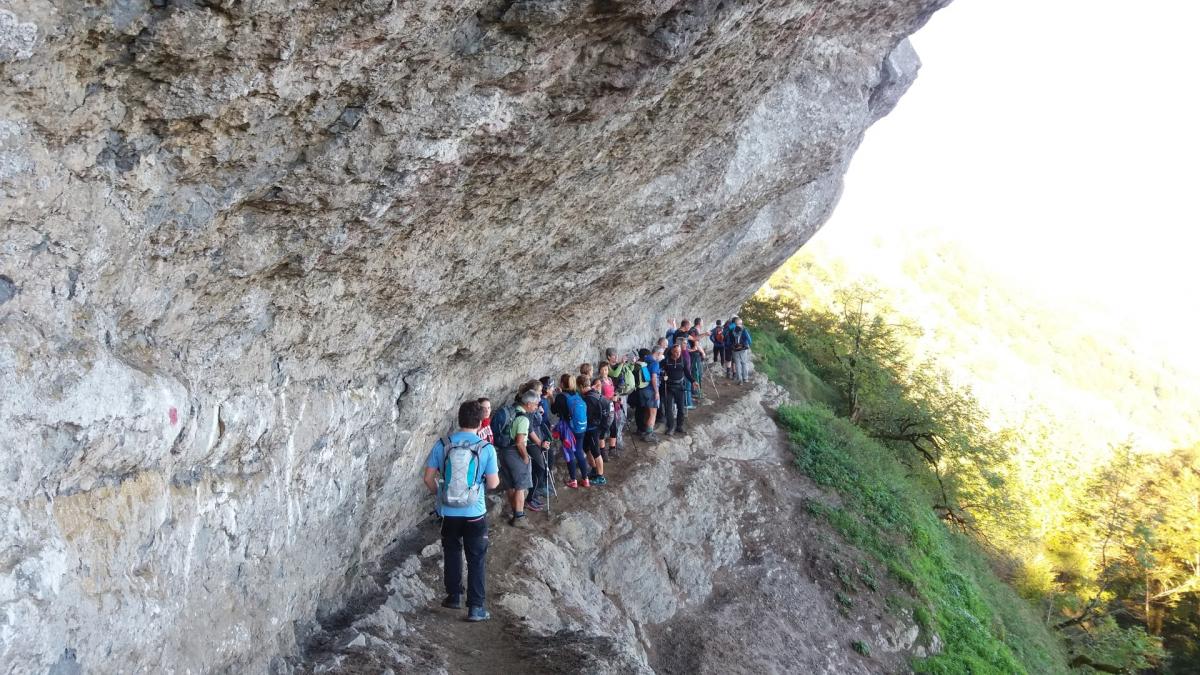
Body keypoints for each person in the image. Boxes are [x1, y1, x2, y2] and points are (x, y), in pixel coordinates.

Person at [422, 400, 499, 622]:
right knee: (476, 557)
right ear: (480, 421)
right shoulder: (486, 448)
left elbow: (428, 478)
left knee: (452, 551)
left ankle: (454, 596)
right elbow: (493, 483)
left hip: (449, 512)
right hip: (474, 512)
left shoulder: (443, 444)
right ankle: (476, 608)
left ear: (459, 419)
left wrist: (441, 494)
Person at [498, 389, 540, 527]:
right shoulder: (523, 419)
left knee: (510, 484)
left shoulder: (512, 410)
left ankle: (515, 512)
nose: (536, 407)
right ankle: (520, 518)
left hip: (503, 452)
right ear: (528, 404)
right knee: (520, 486)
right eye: (535, 404)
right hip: (514, 453)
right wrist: (525, 457)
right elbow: (520, 442)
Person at [553, 374, 591, 488]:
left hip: (569, 430)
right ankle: (585, 479)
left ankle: (573, 480)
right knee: (579, 452)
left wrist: (551, 397)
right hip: (581, 428)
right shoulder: (577, 394)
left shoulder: (561, 397)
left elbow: (554, 410)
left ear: (562, 384)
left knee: (569, 453)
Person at [578, 375, 609, 486]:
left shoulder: (588, 399)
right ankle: (595, 470)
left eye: (578, 388)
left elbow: (588, 416)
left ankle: (601, 477)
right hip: (598, 427)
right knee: (587, 448)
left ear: (581, 386)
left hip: (593, 429)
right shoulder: (594, 393)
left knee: (596, 452)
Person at [605, 348, 637, 452]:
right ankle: (616, 440)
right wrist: (622, 364)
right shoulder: (607, 366)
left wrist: (632, 363)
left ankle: (618, 438)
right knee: (618, 418)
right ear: (609, 357)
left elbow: (630, 369)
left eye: (616, 355)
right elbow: (614, 374)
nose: (616, 357)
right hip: (615, 396)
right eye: (614, 355)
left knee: (622, 417)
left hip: (623, 394)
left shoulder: (619, 364)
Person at [661, 341, 696, 434]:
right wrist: (662, 375)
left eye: (679, 351)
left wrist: (693, 381)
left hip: (679, 386)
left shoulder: (682, 360)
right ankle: (671, 427)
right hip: (668, 387)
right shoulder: (666, 361)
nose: (678, 353)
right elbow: (659, 370)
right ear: (672, 351)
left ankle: (679, 426)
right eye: (676, 352)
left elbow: (687, 373)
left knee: (681, 408)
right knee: (668, 408)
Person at [596, 361, 621, 458]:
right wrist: (610, 399)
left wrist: (616, 397)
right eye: (602, 370)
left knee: (614, 427)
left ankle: (612, 449)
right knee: (603, 429)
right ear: (600, 371)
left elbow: (613, 391)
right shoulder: (599, 382)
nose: (605, 372)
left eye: (606, 369)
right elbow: (598, 396)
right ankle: (602, 451)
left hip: (612, 406)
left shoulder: (610, 379)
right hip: (605, 408)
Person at [728, 316, 753, 384]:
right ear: (740, 323)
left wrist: (731, 347)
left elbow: (728, 341)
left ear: (734, 323)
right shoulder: (744, 329)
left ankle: (740, 380)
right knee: (744, 363)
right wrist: (747, 345)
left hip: (735, 350)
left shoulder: (731, 330)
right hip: (743, 349)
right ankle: (745, 378)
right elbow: (749, 340)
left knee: (737, 364)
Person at [646, 345, 664, 435]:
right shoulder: (655, 363)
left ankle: (643, 431)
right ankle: (649, 434)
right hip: (651, 390)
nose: (662, 356)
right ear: (658, 353)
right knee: (653, 413)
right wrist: (657, 392)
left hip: (643, 389)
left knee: (647, 412)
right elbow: (654, 378)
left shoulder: (645, 359)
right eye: (662, 354)